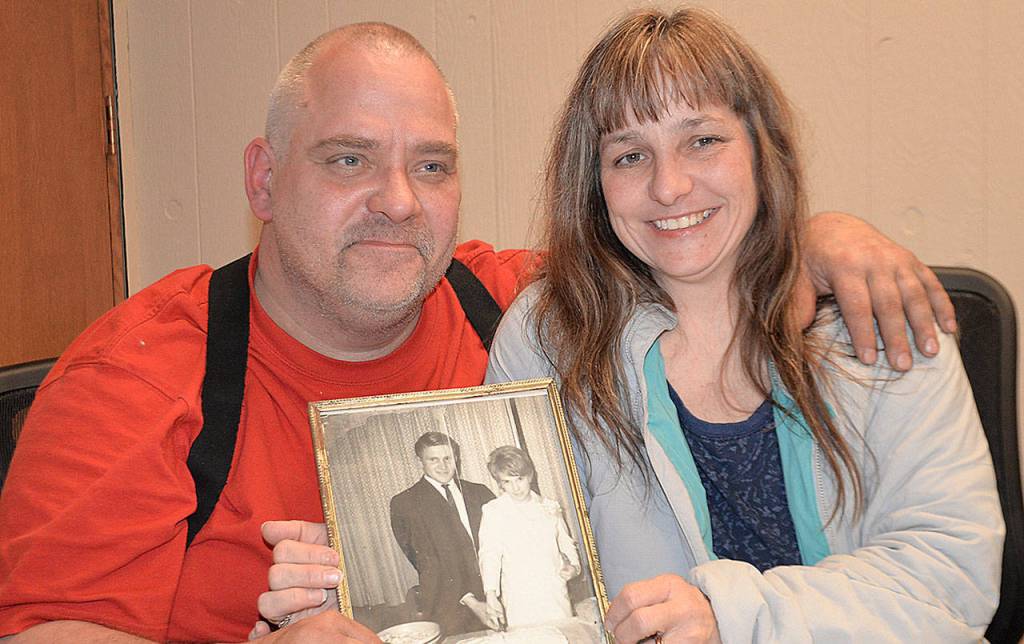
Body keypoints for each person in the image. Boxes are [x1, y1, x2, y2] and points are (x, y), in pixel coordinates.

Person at [0, 18, 957, 644]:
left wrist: (822, 239)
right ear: (263, 178)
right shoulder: (138, 377)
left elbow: (685, 237)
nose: (396, 202)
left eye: (431, 166)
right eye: (348, 160)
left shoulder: (524, 309)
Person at [484, 8, 1003, 643]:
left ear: (761, 147)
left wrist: (729, 614)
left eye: (703, 140)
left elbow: (950, 582)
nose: (669, 186)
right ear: (594, 184)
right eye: (629, 155)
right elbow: (537, 588)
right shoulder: (547, 337)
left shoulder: (874, 307)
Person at [389, 433, 495, 636]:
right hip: (450, 605)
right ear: (420, 461)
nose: (443, 466)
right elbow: (426, 563)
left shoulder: (480, 492)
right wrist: (472, 602)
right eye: (433, 459)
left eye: (448, 458)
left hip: (495, 595)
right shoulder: (405, 503)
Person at [477, 446, 581, 631]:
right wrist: (491, 594)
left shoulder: (549, 507)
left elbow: (566, 543)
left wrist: (574, 567)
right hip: (520, 598)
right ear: (500, 483)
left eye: (520, 479)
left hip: (554, 593)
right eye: (507, 481)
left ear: (530, 476)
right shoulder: (494, 511)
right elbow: (489, 554)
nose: (515, 487)